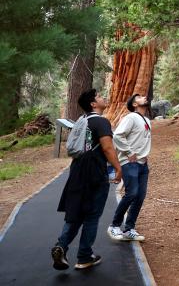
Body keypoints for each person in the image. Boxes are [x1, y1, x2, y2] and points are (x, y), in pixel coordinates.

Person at [51, 89, 122, 271]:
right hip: (94, 171)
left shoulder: (81, 122)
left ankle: (61, 246)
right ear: (93, 104)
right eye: (99, 97)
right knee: (92, 215)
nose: (103, 98)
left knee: (75, 212)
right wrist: (117, 167)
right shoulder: (101, 121)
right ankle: (84, 256)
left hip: (77, 169)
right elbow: (107, 147)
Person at [108, 93, 152, 242]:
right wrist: (129, 151)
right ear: (134, 104)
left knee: (140, 196)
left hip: (142, 164)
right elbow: (118, 135)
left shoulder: (146, 119)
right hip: (129, 162)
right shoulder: (130, 117)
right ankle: (114, 225)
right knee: (131, 193)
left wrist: (144, 155)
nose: (144, 97)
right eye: (139, 97)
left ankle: (129, 229)